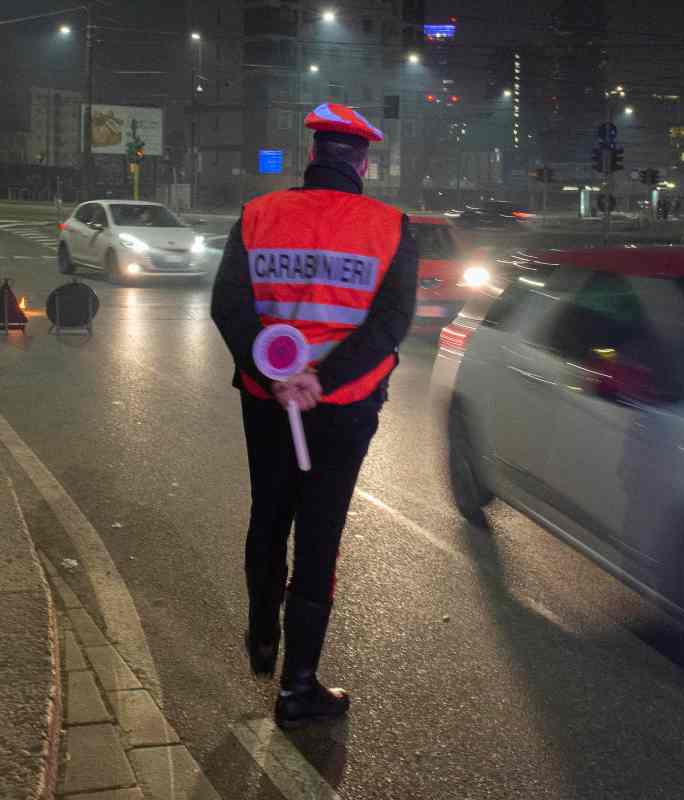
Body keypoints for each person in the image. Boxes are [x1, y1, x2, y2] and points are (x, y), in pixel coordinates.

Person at [211, 103, 418, 728]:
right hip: (343, 407)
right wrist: (319, 380)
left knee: (268, 513)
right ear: (362, 163)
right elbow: (389, 326)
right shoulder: (391, 225)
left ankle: (261, 634)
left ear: (313, 156)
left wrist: (277, 375)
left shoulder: (258, 215)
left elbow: (228, 306)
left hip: (267, 400)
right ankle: (298, 687)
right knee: (320, 532)